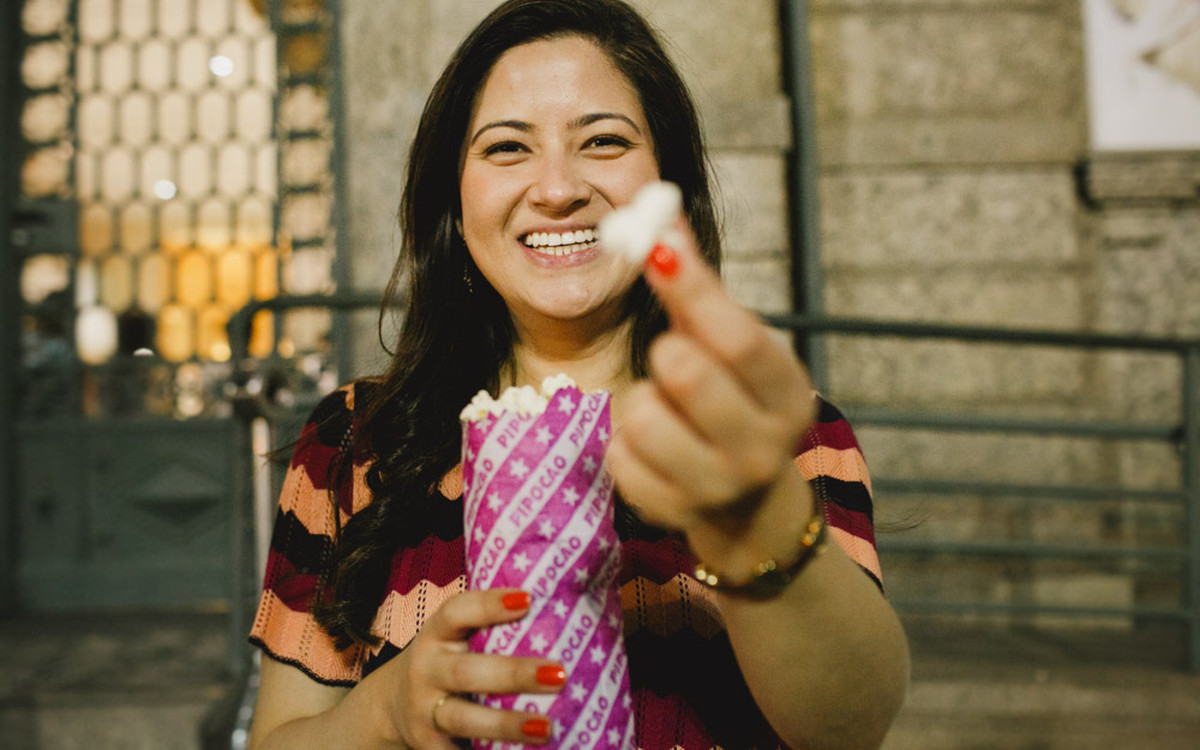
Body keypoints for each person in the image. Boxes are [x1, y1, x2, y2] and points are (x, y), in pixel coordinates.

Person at [246, 1, 910, 748]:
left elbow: (851, 725)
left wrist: (752, 521)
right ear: (454, 205)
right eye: (506, 150)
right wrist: (386, 711)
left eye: (602, 140)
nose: (557, 188)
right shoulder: (354, 441)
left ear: (668, 183)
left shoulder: (770, 433)